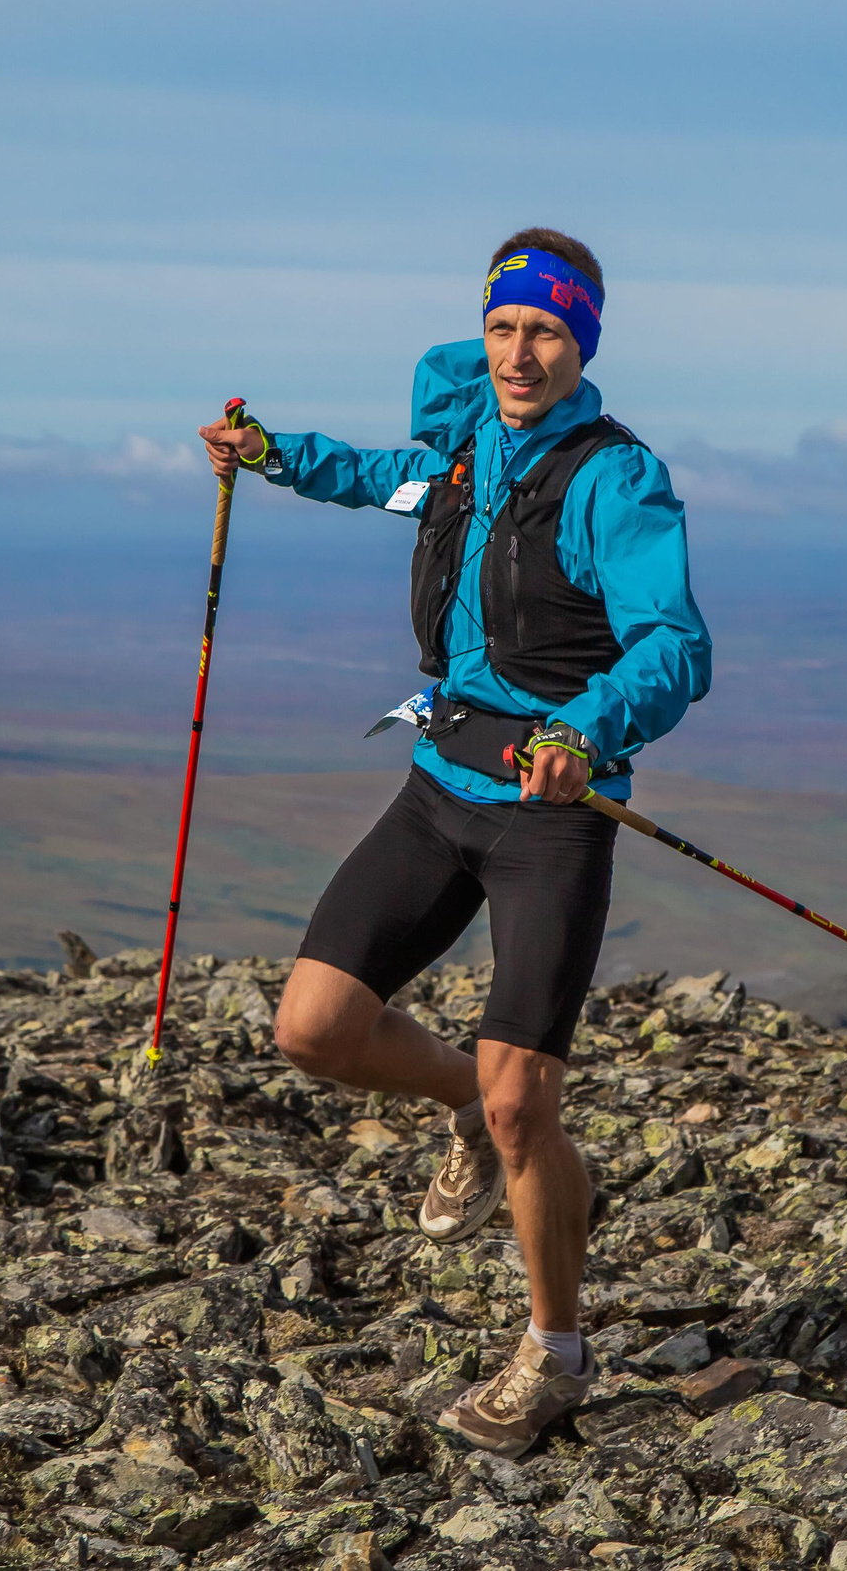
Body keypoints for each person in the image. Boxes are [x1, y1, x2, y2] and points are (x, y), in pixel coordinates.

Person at [197, 228, 711, 1456]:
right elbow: (380, 478)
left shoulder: (616, 481)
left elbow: (674, 644)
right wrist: (275, 456)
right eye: (501, 328)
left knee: (528, 1100)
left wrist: (583, 731)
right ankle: (465, 1112)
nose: (518, 353)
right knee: (313, 1030)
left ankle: (556, 1353)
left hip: (551, 815)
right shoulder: (466, 447)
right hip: (439, 784)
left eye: (545, 331)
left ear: (584, 343)